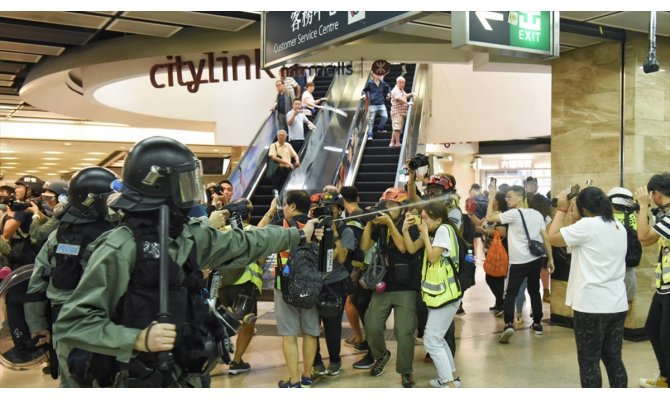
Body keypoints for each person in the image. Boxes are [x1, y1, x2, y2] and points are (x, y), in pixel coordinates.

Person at [53, 136, 322, 388]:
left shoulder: (186, 233)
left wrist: (297, 234)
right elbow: (73, 323)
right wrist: (136, 339)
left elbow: (245, 243)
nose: (190, 189)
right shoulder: (120, 247)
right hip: (138, 377)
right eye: (183, 180)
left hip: (185, 373)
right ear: (159, 184)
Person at [23, 167, 119, 386]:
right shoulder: (121, 235)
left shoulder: (60, 234)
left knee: (72, 380)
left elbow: (37, 281)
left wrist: (38, 326)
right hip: (109, 322)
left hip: (66, 324)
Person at [547, 186, 628, 388]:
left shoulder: (588, 227)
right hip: (616, 305)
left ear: (583, 208)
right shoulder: (618, 226)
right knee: (613, 359)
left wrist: (562, 209)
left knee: (589, 362)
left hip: (591, 307)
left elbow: (553, 237)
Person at [359, 187, 420, 388]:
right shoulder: (381, 224)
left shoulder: (410, 222)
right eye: (386, 204)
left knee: (404, 331)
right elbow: (364, 246)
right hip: (384, 285)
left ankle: (406, 371)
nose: (388, 208)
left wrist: (390, 225)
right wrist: (369, 222)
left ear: (402, 208)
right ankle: (381, 355)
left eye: (392, 205)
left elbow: (404, 247)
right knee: (372, 324)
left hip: (406, 286)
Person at [259, 190, 320, 388]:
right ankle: (307, 376)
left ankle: (294, 381)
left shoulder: (281, 225)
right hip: (312, 285)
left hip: (284, 285)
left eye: (285, 204)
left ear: (292, 206)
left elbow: (257, 233)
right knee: (311, 331)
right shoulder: (318, 225)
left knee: (289, 334)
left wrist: (269, 212)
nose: (283, 208)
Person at [402, 202, 462, 388]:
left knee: (431, 340)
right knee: (438, 338)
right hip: (441, 295)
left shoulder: (443, 230)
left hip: (446, 295)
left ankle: (448, 384)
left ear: (438, 218)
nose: (423, 220)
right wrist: (405, 230)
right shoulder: (436, 232)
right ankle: (451, 378)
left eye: (426, 218)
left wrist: (425, 233)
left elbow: (433, 256)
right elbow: (412, 249)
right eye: (422, 217)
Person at [485, 184, 554, 343]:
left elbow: (489, 219)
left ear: (520, 197)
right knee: (534, 291)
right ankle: (537, 324)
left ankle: (509, 324)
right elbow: (545, 238)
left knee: (511, 293)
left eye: (510, 196)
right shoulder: (537, 214)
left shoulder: (514, 213)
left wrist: (492, 197)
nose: (507, 199)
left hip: (518, 262)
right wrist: (550, 258)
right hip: (536, 260)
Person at [213, 198, 264, 376]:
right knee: (248, 322)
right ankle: (236, 362)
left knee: (224, 319)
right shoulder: (253, 232)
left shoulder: (221, 232)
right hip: (246, 282)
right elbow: (261, 259)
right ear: (248, 214)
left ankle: (217, 353)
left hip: (223, 283)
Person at [311, 192, 355, 378]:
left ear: (340, 211)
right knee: (311, 325)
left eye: (333, 209)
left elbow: (342, 257)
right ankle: (316, 362)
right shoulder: (313, 228)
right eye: (325, 208)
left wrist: (334, 232)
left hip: (335, 283)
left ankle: (335, 361)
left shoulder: (346, 231)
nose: (329, 212)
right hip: (313, 282)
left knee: (332, 325)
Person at [633, 173, 670, 388]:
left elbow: (644, 238)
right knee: (653, 329)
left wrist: (643, 207)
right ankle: (665, 377)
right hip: (664, 287)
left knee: (665, 337)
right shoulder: (666, 216)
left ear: (655, 194)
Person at [607, 186, 641, 307]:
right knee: (628, 302)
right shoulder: (634, 217)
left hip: (609, 269)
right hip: (629, 268)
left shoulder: (606, 220)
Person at [361, 73, 391, 140]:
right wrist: (364, 95)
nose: (378, 76)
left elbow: (388, 88)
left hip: (381, 103)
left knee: (385, 116)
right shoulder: (370, 83)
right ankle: (369, 134)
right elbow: (364, 90)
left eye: (379, 75)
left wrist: (389, 93)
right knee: (371, 120)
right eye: (377, 74)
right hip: (373, 104)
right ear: (373, 75)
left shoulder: (382, 82)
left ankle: (380, 129)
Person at [389, 76, 414, 147]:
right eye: (401, 82)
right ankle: (397, 143)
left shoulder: (401, 89)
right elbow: (399, 98)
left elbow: (405, 95)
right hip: (397, 112)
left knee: (396, 127)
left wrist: (411, 94)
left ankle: (392, 142)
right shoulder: (396, 90)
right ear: (398, 82)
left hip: (401, 112)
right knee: (397, 128)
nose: (403, 84)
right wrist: (407, 103)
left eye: (403, 83)